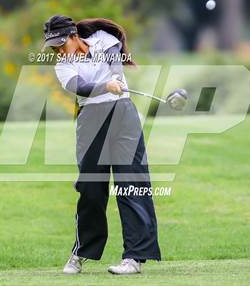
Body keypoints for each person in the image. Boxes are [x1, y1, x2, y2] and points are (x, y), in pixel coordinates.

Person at [42, 15, 161, 275]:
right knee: (91, 188)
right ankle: (81, 252)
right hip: (91, 120)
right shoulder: (62, 66)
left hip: (122, 114)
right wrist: (105, 85)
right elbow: (80, 87)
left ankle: (135, 258)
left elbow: (115, 63)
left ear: (74, 36)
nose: (59, 51)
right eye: (54, 47)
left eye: (62, 44)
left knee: (132, 182)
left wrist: (116, 79)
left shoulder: (102, 40)